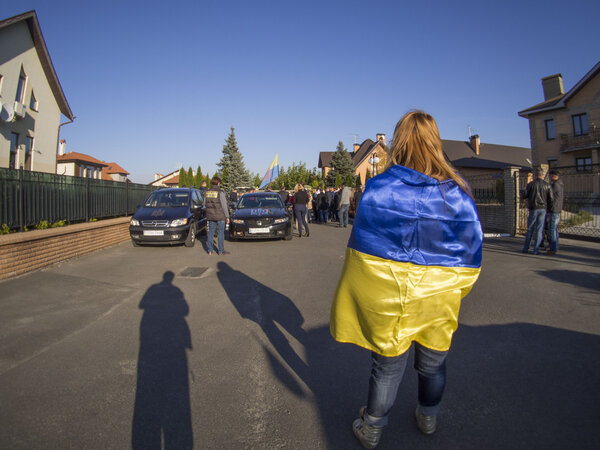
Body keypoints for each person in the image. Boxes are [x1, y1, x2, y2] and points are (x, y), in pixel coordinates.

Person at [330, 110, 483, 449]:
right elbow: (472, 253)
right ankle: (428, 418)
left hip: (390, 296)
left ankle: (372, 427)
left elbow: (362, 252)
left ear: (399, 141)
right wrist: (455, 290)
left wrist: (364, 295)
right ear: (435, 140)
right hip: (439, 294)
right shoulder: (458, 190)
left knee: (386, 367)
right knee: (433, 363)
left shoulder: (379, 187)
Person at [522, 168, 553, 255]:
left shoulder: (531, 185)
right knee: (539, 229)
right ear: (542, 175)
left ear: (535, 175)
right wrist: (549, 209)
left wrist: (525, 189)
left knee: (530, 229)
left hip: (533, 208)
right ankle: (536, 250)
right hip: (543, 208)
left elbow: (525, 196)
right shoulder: (547, 185)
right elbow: (551, 199)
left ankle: (526, 248)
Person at [204, 176, 230, 256]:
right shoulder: (220, 192)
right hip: (220, 216)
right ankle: (221, 251)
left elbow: (204, 204)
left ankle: (210, 250)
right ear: (218, 183)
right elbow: (224, 205)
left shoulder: (207, 192)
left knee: (211, 232)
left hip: (211, 216)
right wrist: (227, 216)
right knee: (220, 233)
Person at [546, 169, 564, 255]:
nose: (550, 177)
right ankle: (555, 246)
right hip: (557, 209)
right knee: (555, 229)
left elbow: (549, 196)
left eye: (551, 175)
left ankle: (553, 248)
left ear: (554, 176)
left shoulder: (555, 185)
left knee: (552, 229)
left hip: (554, 209)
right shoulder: (560, 184)